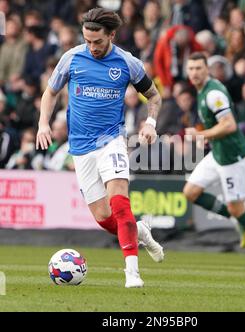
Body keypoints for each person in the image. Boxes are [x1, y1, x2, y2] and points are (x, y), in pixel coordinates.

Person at [36, 7, 164, 288]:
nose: (92, 47)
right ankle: (140, 231)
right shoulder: (72, 58)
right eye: (88, 41)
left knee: (119, 202)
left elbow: (154, 96)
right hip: (80, 148)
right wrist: (43, 123)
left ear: (112, 35)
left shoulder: (127, 63)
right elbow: (50, 92)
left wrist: (151, 122)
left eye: (98, 42)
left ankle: (132, 272)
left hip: (111, 141)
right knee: (104, 218)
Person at [183, 52, 245, 267]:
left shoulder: (212, 93)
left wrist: (201, 135)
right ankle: (236, 221)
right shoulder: (202, 91)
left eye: (199, 68)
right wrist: (205, 136)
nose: (194, 73)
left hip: (232, 156)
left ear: (206, 69)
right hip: (217, 152)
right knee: (191, 192)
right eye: (191, 69)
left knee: (238, 208)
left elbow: (229, 125)